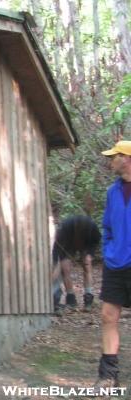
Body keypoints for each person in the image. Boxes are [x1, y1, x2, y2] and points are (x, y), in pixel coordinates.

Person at [96, 140, 131, 387]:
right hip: (116, 263)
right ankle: (108, 376)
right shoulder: (112, 191)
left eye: (114, 156)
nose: (111, 161)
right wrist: (109, 250)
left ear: (127, 159)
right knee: (108, 316)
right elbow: (107, 226)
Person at [52, 215, 100, 313]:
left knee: (87, 265)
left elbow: (96, 241)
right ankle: (71, 299)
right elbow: (57, 246)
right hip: (67, 244)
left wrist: (89, 255)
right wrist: (56, 264)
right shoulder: (65, 227)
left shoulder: (92, 227)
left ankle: (88, 297)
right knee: (65, 268)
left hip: (87, 244)